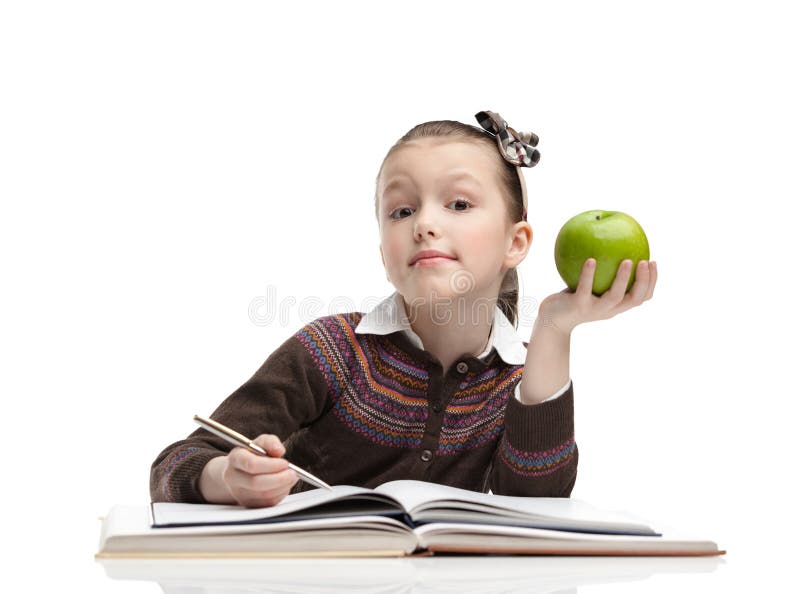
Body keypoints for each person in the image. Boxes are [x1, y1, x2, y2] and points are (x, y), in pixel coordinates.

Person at [150, 110, 657, 507]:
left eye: (459, 204)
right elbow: (175, 465)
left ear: (516, 241)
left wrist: (554, 329)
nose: (424, 224)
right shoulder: (330, 350)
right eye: (402, 210)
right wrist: (227, 477)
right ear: (383, 254)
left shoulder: (523, 381)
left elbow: (538, 504)